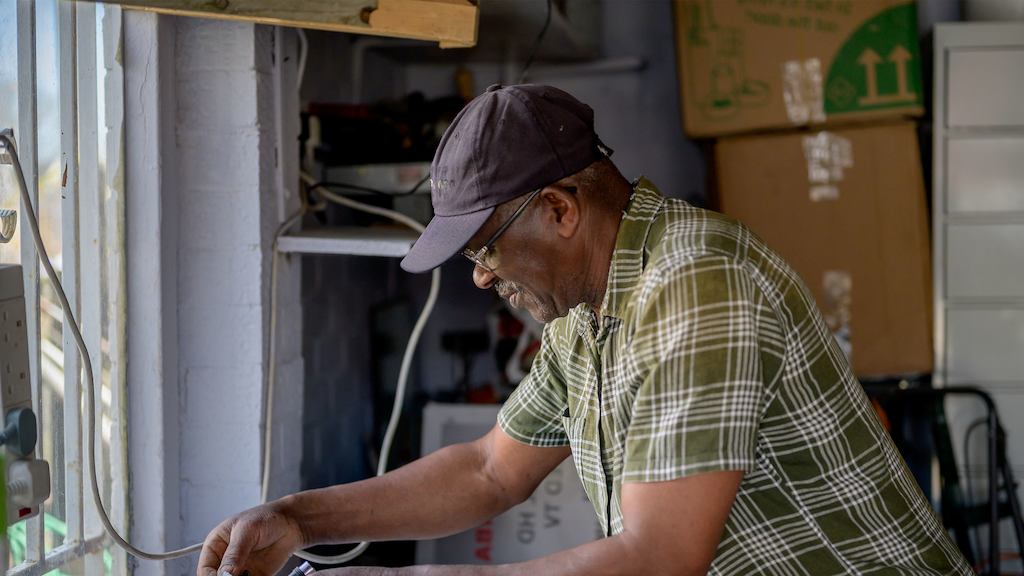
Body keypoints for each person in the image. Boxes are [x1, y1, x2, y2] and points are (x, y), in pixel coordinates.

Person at [198, 84, 971, 576]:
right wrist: (299, 519)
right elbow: (489, 472)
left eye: (485, 248)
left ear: (562, 210)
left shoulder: (697, 284)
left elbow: (658, 558)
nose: (480, 276)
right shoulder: (587, 315)